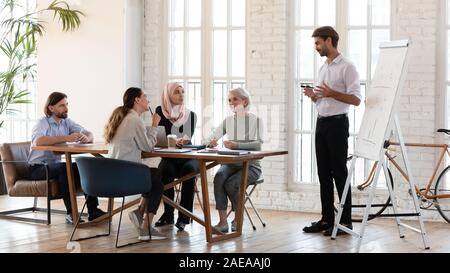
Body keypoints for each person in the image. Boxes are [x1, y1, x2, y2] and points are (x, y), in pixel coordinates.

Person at [302, 26, 361, 236]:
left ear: (329, 40)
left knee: (339, 173)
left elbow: (355, 99)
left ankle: (345, 222)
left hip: (338, 124)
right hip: (322, 123)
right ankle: (327, 219)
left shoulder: (347, 66)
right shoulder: (323, 67)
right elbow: (324, 96)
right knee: (323, 174)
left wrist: (331, 92)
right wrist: (314, 95)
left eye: (318, 42)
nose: (316, 47)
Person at [28, 92, 106, 224]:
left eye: (67, 104)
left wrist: (87, 137)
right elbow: (38, 141)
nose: (66, 108)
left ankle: (93, 211)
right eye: (62, 105)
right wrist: (66, 138)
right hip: (38, 168)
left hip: (55, 166)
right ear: (51, 108)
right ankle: (71, 214)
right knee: (65, 169)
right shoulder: (42, 122)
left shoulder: (66, 122)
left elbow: (89, 133)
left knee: (86, 167)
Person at [105, 87, 166, 241]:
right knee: (157, 180)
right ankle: (146, 228)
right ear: (137, 100)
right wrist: (154, 126)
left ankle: (139, 213)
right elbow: (147, 147)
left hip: (111, 174)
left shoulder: (121, 117)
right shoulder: (134, 119)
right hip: (126, 177)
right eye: (145, 97)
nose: (148, 100)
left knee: (152, 175)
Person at [204, 87, 264, 233]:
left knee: (232, 184)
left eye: (235, 99)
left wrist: (237, 145)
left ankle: (238, 219)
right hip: (231, 164)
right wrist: (210, 141)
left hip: (251, 166)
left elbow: (258, 144)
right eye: (229, 100)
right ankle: (223, 223)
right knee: (218, 177)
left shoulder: (256, 121)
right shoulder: (228, 121)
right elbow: (211, 136)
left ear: (244, 101)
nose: (231, 102)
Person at [154, 82, 199, 231]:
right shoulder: (159, 112)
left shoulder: (191, 115)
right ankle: (168, 215)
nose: (181, 95)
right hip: (169, 157)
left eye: (183, 92)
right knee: (165, 171)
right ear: (168, 95)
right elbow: (159, 137)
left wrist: (179, 140)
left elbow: (186, 137)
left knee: (189, 171)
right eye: (177, 92)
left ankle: (184, 218)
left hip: (188, 156)